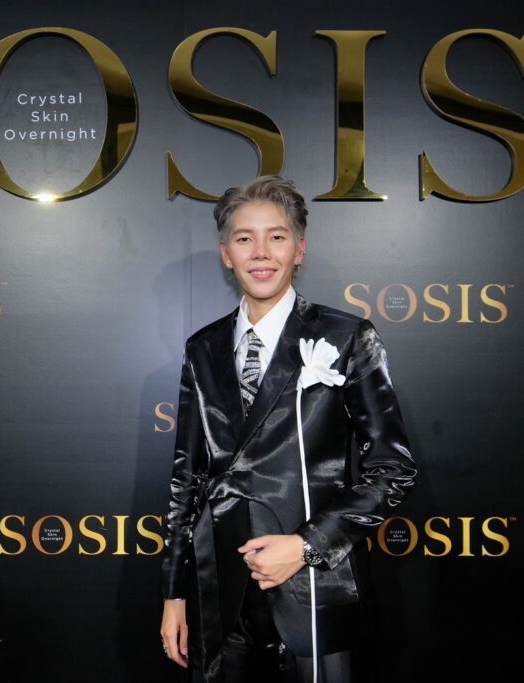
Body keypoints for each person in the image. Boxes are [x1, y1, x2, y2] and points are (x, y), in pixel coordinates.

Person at [159, 176, 417, 682]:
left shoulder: (346, 336)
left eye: (276, 237)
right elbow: (186, 479)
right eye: (244, 238)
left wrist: (305, 545)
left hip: (315, 586)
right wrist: (174, 594)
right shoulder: (202, 348)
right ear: (226, 254)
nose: (261, 252)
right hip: (221, 593)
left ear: (299, 249)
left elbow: (392, 470)